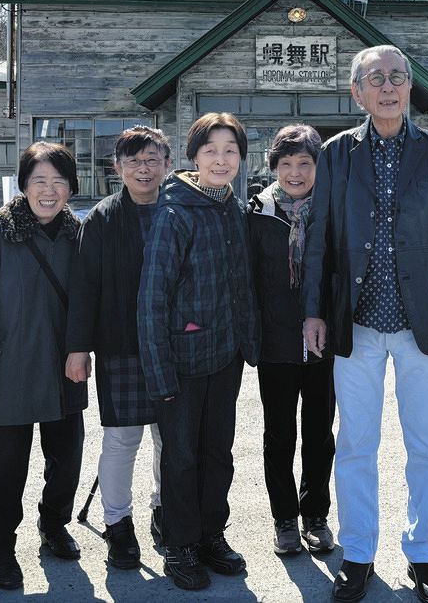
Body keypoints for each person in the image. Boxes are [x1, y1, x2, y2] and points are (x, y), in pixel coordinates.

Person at [302, 44, 428, 603]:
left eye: (397, 78)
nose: (388, 87)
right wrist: (312, 309)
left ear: (410, 88)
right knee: (355, 443)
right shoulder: (336, 154)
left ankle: (424, 555)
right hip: (353, 324)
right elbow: (321, 239)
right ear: (357, 91)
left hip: (422, 323)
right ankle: (357, 554)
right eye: (375, 78)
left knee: (426, 446)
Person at [0, 142, 86, 591]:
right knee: (7, 469)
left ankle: (54, 525)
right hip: (9, 373)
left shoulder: (77, 235)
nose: (49, 191)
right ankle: (1, 549)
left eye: (59, 181)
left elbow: (89, 303)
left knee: (66, 458)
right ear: (23, 184)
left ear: (71, 186)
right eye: (39, 181)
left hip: (64, 368)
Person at [137, 113, 260, 591]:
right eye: (211, 149)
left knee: (218, 453)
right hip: (182, 363)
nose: (221, 159)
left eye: (231, 150)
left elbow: (241, 284)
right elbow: (152, 298)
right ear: (193, 156)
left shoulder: (233, 206)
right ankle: (180, 544)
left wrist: (247, 343)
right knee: (181, 457)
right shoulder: (174, 213)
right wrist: (160, 372)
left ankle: (211, 534)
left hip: (224, 355)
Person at [65, 126, 172, 569]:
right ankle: (118, 524)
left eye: (152, 159)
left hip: (174, 345)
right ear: (118, 168)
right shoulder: (103, 218)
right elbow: (84, 289)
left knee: (171, 439)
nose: (143, 168)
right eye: (133, 161)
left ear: (167, 165)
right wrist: (78, 348)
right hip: (121, 345)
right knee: (122, 439)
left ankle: (165, 509)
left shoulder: (180, 208)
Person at [247, 124, 336, 557]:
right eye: (287, 164)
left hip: (324, 344)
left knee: (319, 433)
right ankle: (284, 518)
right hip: (276, 345)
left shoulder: (333, 210)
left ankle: (315, 514)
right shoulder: (258, 212)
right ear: (274, 167)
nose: (296, 172)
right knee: (278, 434)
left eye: (305, 163)